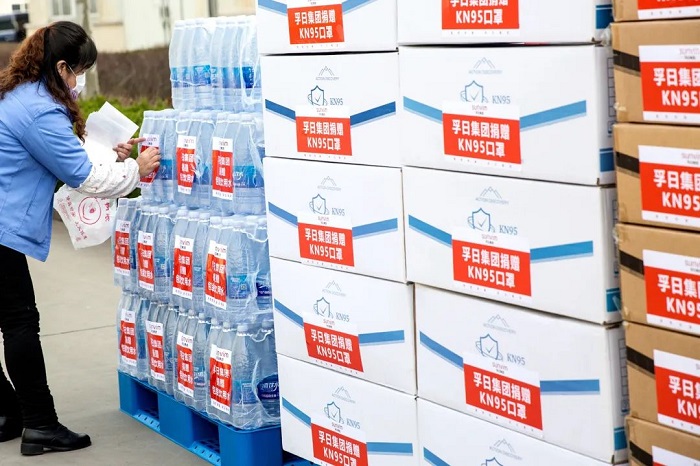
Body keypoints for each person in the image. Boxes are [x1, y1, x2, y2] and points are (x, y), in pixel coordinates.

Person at [0, 22, 160, 456]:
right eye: (80, 71)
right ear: (61, 67)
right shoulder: (40, 110)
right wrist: (137, 169)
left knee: (9, 319)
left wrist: (112, 155)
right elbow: (83, 176)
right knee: (19, 322)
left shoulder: (20, 96)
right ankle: (40, 425)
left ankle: (6, 412)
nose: (80, 80)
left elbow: (60, 157)